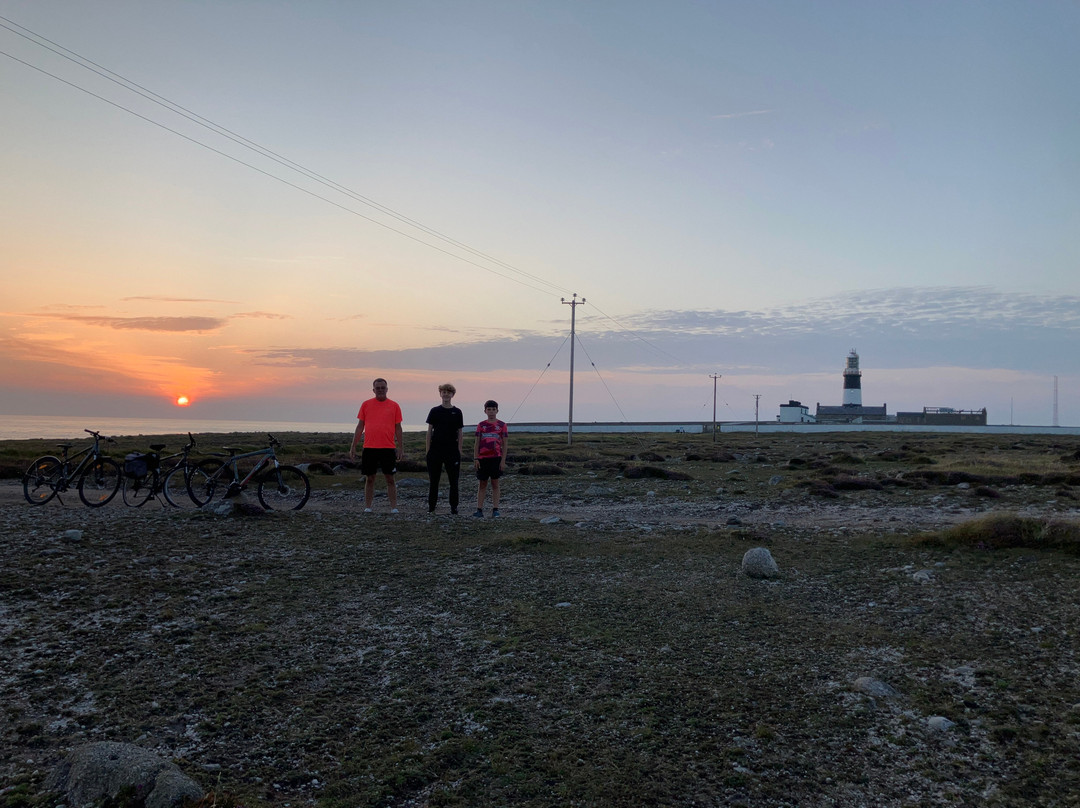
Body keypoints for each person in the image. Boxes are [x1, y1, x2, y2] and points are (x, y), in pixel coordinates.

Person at [349, 378, 404, 513]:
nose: (380, 390)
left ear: (387, 389)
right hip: (369, 448)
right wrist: (353, 446)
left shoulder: (394, 405)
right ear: (373, 390)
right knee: (370, 478)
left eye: (382, 387)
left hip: (388, 447)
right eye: (377, 388)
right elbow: (360, 426)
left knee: (390, 478)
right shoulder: (366, 405)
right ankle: (368, 507)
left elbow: (398, 428)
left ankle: (393, 507)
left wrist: (401, 447)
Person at [425, 383, 464, 514]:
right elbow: (429, 431)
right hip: (435, 451)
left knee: (453, 481)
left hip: (452, 451)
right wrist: (428, 450)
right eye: (443, 392)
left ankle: (454, 507)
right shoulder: (434, 411)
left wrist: (459, 450)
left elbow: (460, 432)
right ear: (440, 394)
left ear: (452, 394)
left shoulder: (457, 412)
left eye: (448, 392)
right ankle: (431, 507)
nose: (446, 394)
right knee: (434, 481)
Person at [472, 399, 508, 518]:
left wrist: (503, 461)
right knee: (482, 484)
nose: (491, 412)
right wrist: (476, 458)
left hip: (496, 458)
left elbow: (505, 444)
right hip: (482, 459)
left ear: (497, 410)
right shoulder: (481, 425)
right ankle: (479, 509)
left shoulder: (502, 425)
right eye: (489, 409)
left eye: (493, 409)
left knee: (495, 484)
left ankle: (495, 509)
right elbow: (477, 443)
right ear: (485, 411)